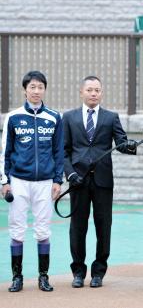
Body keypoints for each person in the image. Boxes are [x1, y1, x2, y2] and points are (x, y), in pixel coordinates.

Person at [64, 76, 137, 288]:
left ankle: (98, 272)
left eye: (97, 90)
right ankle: (78, 271)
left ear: (101, 93)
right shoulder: (68, 118)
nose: (93, 93)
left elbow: (121, 143)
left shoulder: (111, 117)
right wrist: (70, 174)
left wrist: (131, 145)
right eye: (89, 90)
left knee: (103, 226)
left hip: (103, 181)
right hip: (78, 181)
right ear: (81, 92)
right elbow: (63, 152)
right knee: (77, 227)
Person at [0, 71, 64, 292]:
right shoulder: (13, 117)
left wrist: (58, 180)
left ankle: (43, 277)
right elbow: (5, 152)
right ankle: (17, 277)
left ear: (45, 89)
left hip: (45, 182)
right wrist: (4, 181)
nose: (36, 91)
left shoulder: (54, 117)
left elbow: (59, 152)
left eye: (40, 87)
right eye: (32, 87)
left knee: (43, 230)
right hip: (18, 181)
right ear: (25, 89)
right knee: (17, 229)